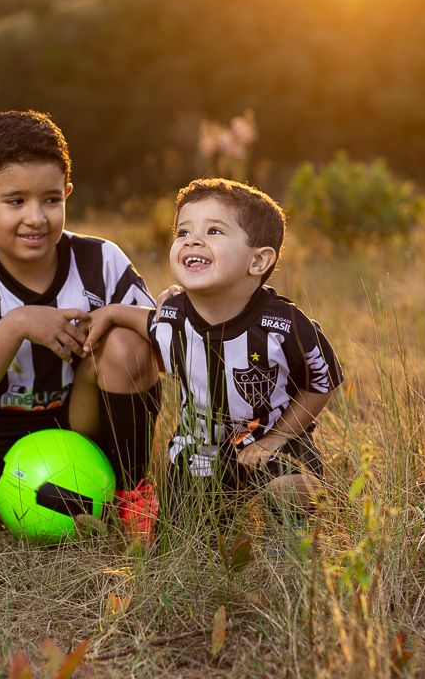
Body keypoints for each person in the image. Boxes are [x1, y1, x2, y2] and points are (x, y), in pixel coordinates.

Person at [0, 110, 161, 537]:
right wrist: (17, 323)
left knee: (127, 344)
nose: (36, 218)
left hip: (80, 415)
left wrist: (123, 317)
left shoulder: (103, 261)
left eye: (51, 199)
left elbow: (160, 353)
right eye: (15, 200)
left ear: (67, 195)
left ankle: (131, 490)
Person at [83, 178, 343, 527]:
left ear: (258, 261)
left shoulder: (284, 325)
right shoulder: (175, 314)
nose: (192, 239)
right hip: (199, 450)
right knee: (181, 544)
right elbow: (148, 323)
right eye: (182, 232)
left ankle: (288, 538)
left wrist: (276, 439)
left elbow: (320, 383)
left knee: (295, 488)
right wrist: (112, 313)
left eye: (215, 231)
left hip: (271, 441)